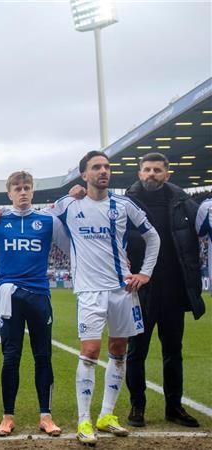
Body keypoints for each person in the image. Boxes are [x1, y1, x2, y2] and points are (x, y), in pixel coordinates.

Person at [51, 151, 160, 445]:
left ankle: (106, 415)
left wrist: (145, 273)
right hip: (89, 291)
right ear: (84, 174)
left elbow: (153, 237)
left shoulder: (123, 205)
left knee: (119, 350)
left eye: (106, 167)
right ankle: (84, 420)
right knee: (89, 352)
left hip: (122, 290)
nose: (103, 171)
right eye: (96, 167)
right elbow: (38, 220)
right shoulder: (68, 205)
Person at [109, 153, 204, 428]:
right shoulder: (125, 204)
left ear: (167, 174)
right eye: (147, 170)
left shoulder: (184, 203)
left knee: (173, 351)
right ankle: (137, 406)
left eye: (157, 170)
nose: (152, 174)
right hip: (140, 290)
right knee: (137, 350)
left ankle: (174, 407)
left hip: (174, 289)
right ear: (139, 174)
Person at [0, 171, 68, 437]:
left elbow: (71, 249)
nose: (22, 192)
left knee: (44, 356)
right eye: (17, 188)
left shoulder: (47, 221)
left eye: (26, 187)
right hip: (10, 297)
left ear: (32, 192)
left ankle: (46, 416)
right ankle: (8, 417)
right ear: (9, 193)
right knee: (11, 357)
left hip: (40, 295)